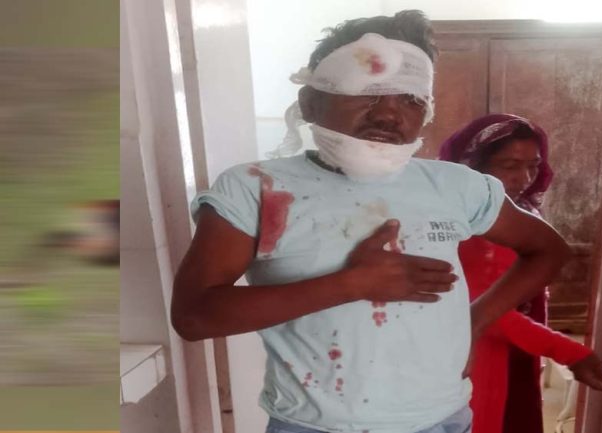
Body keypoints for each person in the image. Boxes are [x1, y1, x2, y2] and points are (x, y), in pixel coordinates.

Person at [171, 11, 571, 433]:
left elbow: (548, 250)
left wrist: (475, 320)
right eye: (367, 92)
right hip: (316, 427)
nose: (389, 115)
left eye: (411, 99)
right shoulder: (257, 188)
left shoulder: (457, 187)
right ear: (310, 102)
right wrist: (351, 284)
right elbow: (194, 316)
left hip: (443, 420)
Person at [439, 114, 602, 433]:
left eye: (533, 165)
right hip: (475, 356)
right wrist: (568, 351)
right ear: (472, 167)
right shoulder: (460, 227)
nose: (525, 178)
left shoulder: (519, 216)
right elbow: (483, 310)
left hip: (510, 350)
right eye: (510, 166)